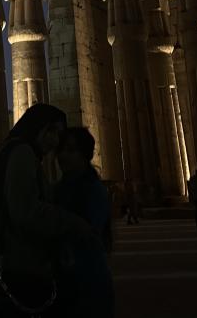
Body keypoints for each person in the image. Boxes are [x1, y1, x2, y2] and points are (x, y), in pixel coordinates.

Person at [0, 103, 97, 317]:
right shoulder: (22, 153)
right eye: (52, 132)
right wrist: (73, 222)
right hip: (12, 266)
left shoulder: (7, 152)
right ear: (39, 127)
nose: (55, 141)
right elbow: (26, 212)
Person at [54, 127, 114, 317]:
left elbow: (87, 232)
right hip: (65, 283)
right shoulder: (58, 189)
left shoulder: (93, 190)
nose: (63, 155)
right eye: (61, 149)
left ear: (85, 155)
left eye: (71, 150)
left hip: (88, 282)